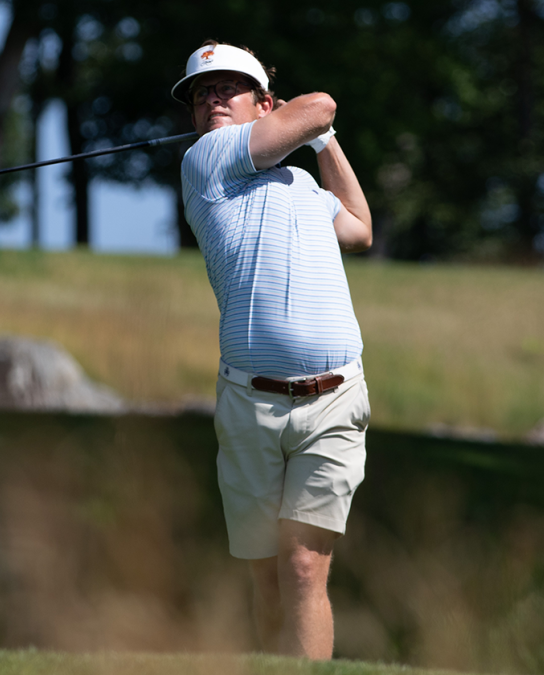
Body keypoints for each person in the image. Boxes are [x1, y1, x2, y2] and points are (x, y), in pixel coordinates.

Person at [173, 40, 373, 660]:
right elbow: (321, 104)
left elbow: (360, 228)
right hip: (249, 403)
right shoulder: (207, 161)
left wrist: (322, 142)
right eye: (201, 93)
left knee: (306, 568)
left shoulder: (307, 190)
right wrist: (308, 121)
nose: (210, 98)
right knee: (266, 575)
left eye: (226, 87)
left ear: (263, 103)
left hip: (334, 399)